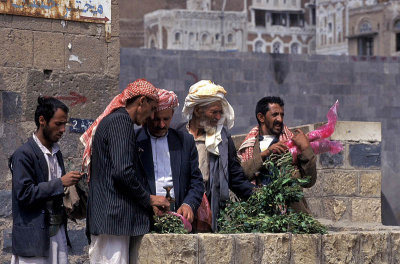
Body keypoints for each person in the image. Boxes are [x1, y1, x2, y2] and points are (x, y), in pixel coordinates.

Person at [80, 79, 170, 264]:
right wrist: (149, 198)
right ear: (142, 101)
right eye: (152, 108)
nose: (152, 116)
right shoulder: (120, 122)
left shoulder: (117, 121)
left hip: (114, 221)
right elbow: (123, 171)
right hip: (113, 220)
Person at [9, 97, 82, 264]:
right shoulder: (24, 154)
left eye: (65, 124)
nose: (63, 129)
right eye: (58, 124)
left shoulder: (57, 153)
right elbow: (24, 194)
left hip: (56, 234)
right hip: (33, 238)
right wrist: (60, 183)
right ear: (42, 120)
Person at [177, 80, 255, 231]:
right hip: (181, 206)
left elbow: (235, 177)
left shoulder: (222, 140)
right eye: (214, 112)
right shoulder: (178, 136)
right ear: (198, 111)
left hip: (210, 207)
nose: (218, 117)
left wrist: (259, 195)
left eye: (220, 112)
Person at [237, 96, 317, 212]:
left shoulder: (293, 144)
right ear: (261, 117)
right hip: (258, 214)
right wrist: (266, 154)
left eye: (282, 115)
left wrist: (305, 149)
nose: (280, 119)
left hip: (291, 215)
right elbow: (240, 176)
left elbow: (309, 181)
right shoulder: (248, 146)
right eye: (275, 115)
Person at [136, 89, 204, 224]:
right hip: (144, 218)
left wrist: (188, 204)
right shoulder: (135, 141)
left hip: (178, 216)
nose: (161, 125)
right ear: (147, 116)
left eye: (166, 119)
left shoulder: (185, 141)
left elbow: (196, 182)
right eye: (156, 119)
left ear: (172, 114)